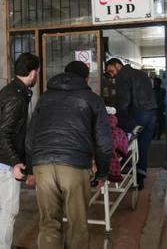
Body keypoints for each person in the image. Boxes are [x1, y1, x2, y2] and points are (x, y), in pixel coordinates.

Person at [25, 61, 112, 249]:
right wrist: (102, 173)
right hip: (75, 165)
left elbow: (30, 135)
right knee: (77, 224)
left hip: (42, 165)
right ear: (86, 78)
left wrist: (31, 168)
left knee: (48, 222)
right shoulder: (92, 99)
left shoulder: (45, 98)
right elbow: (104, 141)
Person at [0, 52, 39, 249]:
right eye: (37, 73)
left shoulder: (12, 90)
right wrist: (16, 162)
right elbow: (2, 134)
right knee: (10, 210)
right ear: (33, 73)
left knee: (2, 206)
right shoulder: (16, 98)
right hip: (4, 161)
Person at [105, 58, 157, 190]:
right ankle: (140, 178)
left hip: (138, 114)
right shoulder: (141, 74)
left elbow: (123, 103)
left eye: (111, 70)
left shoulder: (122, 76)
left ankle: (123, 173)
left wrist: (123, 119)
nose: (111, 75)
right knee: (143, 147)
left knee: (126, 144)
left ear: (118, 65)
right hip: (151, 114)